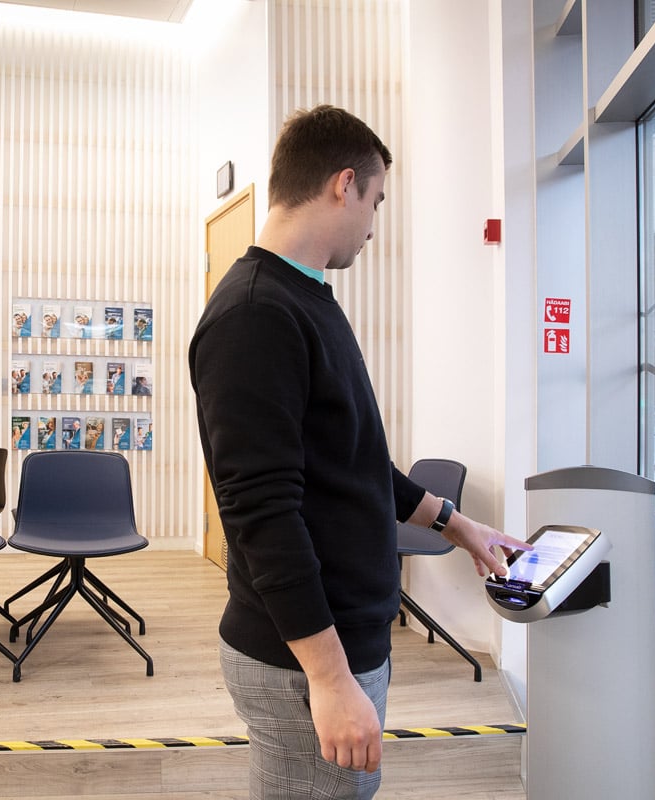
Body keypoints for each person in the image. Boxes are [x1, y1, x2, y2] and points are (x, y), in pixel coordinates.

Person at [187, 104, 531, 800]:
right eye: (375, 200)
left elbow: (355, 459)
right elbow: (261, 514)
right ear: (344, 184)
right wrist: (329, 677)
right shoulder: (256, 314)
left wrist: (459, 526)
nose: (374, 223)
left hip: (341, 643)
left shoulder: (307, 296)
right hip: (303, 658)